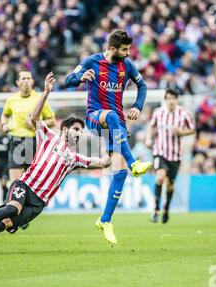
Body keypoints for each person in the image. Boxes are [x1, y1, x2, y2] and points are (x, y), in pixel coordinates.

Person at [0, 72, 111, 253]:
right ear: (65, 129)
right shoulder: (48, 137)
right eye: (76, 129)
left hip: (38, 203)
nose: (78, 134)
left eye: (81, 131)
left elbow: (104, 162)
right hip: (26, 185)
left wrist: (108, 142)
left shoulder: (75, 158)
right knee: (12, 209)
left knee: (6, 224)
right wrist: (45, 94)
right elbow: (34, 119)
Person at [64, 30, 152, 245]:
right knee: (112, 116)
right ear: (112, 49)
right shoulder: (92, 61)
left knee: (119, 173)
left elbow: (142, 85)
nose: (128, 53)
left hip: (117, 123)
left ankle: (105, 220)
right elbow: (68, 80)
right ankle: (134, 163)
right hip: (95, 117)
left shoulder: (126, 66)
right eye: (124, 50)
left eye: (129, 49)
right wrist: (79, 77)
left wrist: (138, 108)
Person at [145, 89, 195, 223]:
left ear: (177, 100)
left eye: (173, 98)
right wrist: (149, 139)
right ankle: (155, 210)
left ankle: (166, 208)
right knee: (160, 177)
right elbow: (151, 126)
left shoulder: (184, 113)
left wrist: (181, 132)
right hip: (159, 151)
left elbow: (192, 129)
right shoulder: (158, 112)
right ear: (165, 100)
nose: (171, 101)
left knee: (170, 185)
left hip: (175, 154)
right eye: (168, 98)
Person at [0, 70, 56, 183]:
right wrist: (4, 124)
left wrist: (37, 123)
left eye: (28, 78)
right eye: (23, 79)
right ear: (17, 82)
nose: (26, 81)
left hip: (33, 142)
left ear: (32, 81)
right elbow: (5, 115)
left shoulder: (39, 99)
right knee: (15, 183)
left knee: (32, 182)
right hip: (16, 141)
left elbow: (52, 120)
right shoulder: (12, 99)